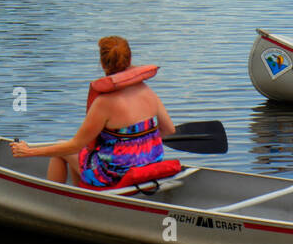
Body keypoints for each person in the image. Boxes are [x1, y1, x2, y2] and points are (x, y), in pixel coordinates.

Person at [11, 36, 177, 186]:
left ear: (103, 64)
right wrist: (138, 146)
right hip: (150, 164)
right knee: (84, 156)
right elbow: (169, 129)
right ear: (129, 60)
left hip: (114, 173)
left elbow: (74, 146)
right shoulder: (146, 91)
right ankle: (80, 197)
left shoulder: (104, 103)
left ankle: (54, 203)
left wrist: (29, 152)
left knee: (62, 148)